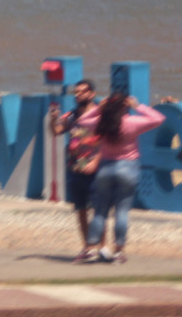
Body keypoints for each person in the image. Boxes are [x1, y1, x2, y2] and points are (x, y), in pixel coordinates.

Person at [75, 93, 165, 264]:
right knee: (121, 212)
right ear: (125, 106)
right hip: (128, 168)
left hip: (105, 168)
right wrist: (137, 106)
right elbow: (159, 118)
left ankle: (91, 249)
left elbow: (81, 120)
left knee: (100, 212)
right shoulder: (132, 123)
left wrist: (98, 109)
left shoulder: (101, 123)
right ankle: (119, 252)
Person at [50, 79, 103, 262]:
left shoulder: (99, 114)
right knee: (80, 209)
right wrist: (53, 118)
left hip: (96, 169)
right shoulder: (71, 115)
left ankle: (102, 248)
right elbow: (56, 131)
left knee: (99, 211)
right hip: (75, 168)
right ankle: (88, 247)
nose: (78, 95)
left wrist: (96, 162)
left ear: (92, 94)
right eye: (76, 92)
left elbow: (108, 141)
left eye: (82, 92)